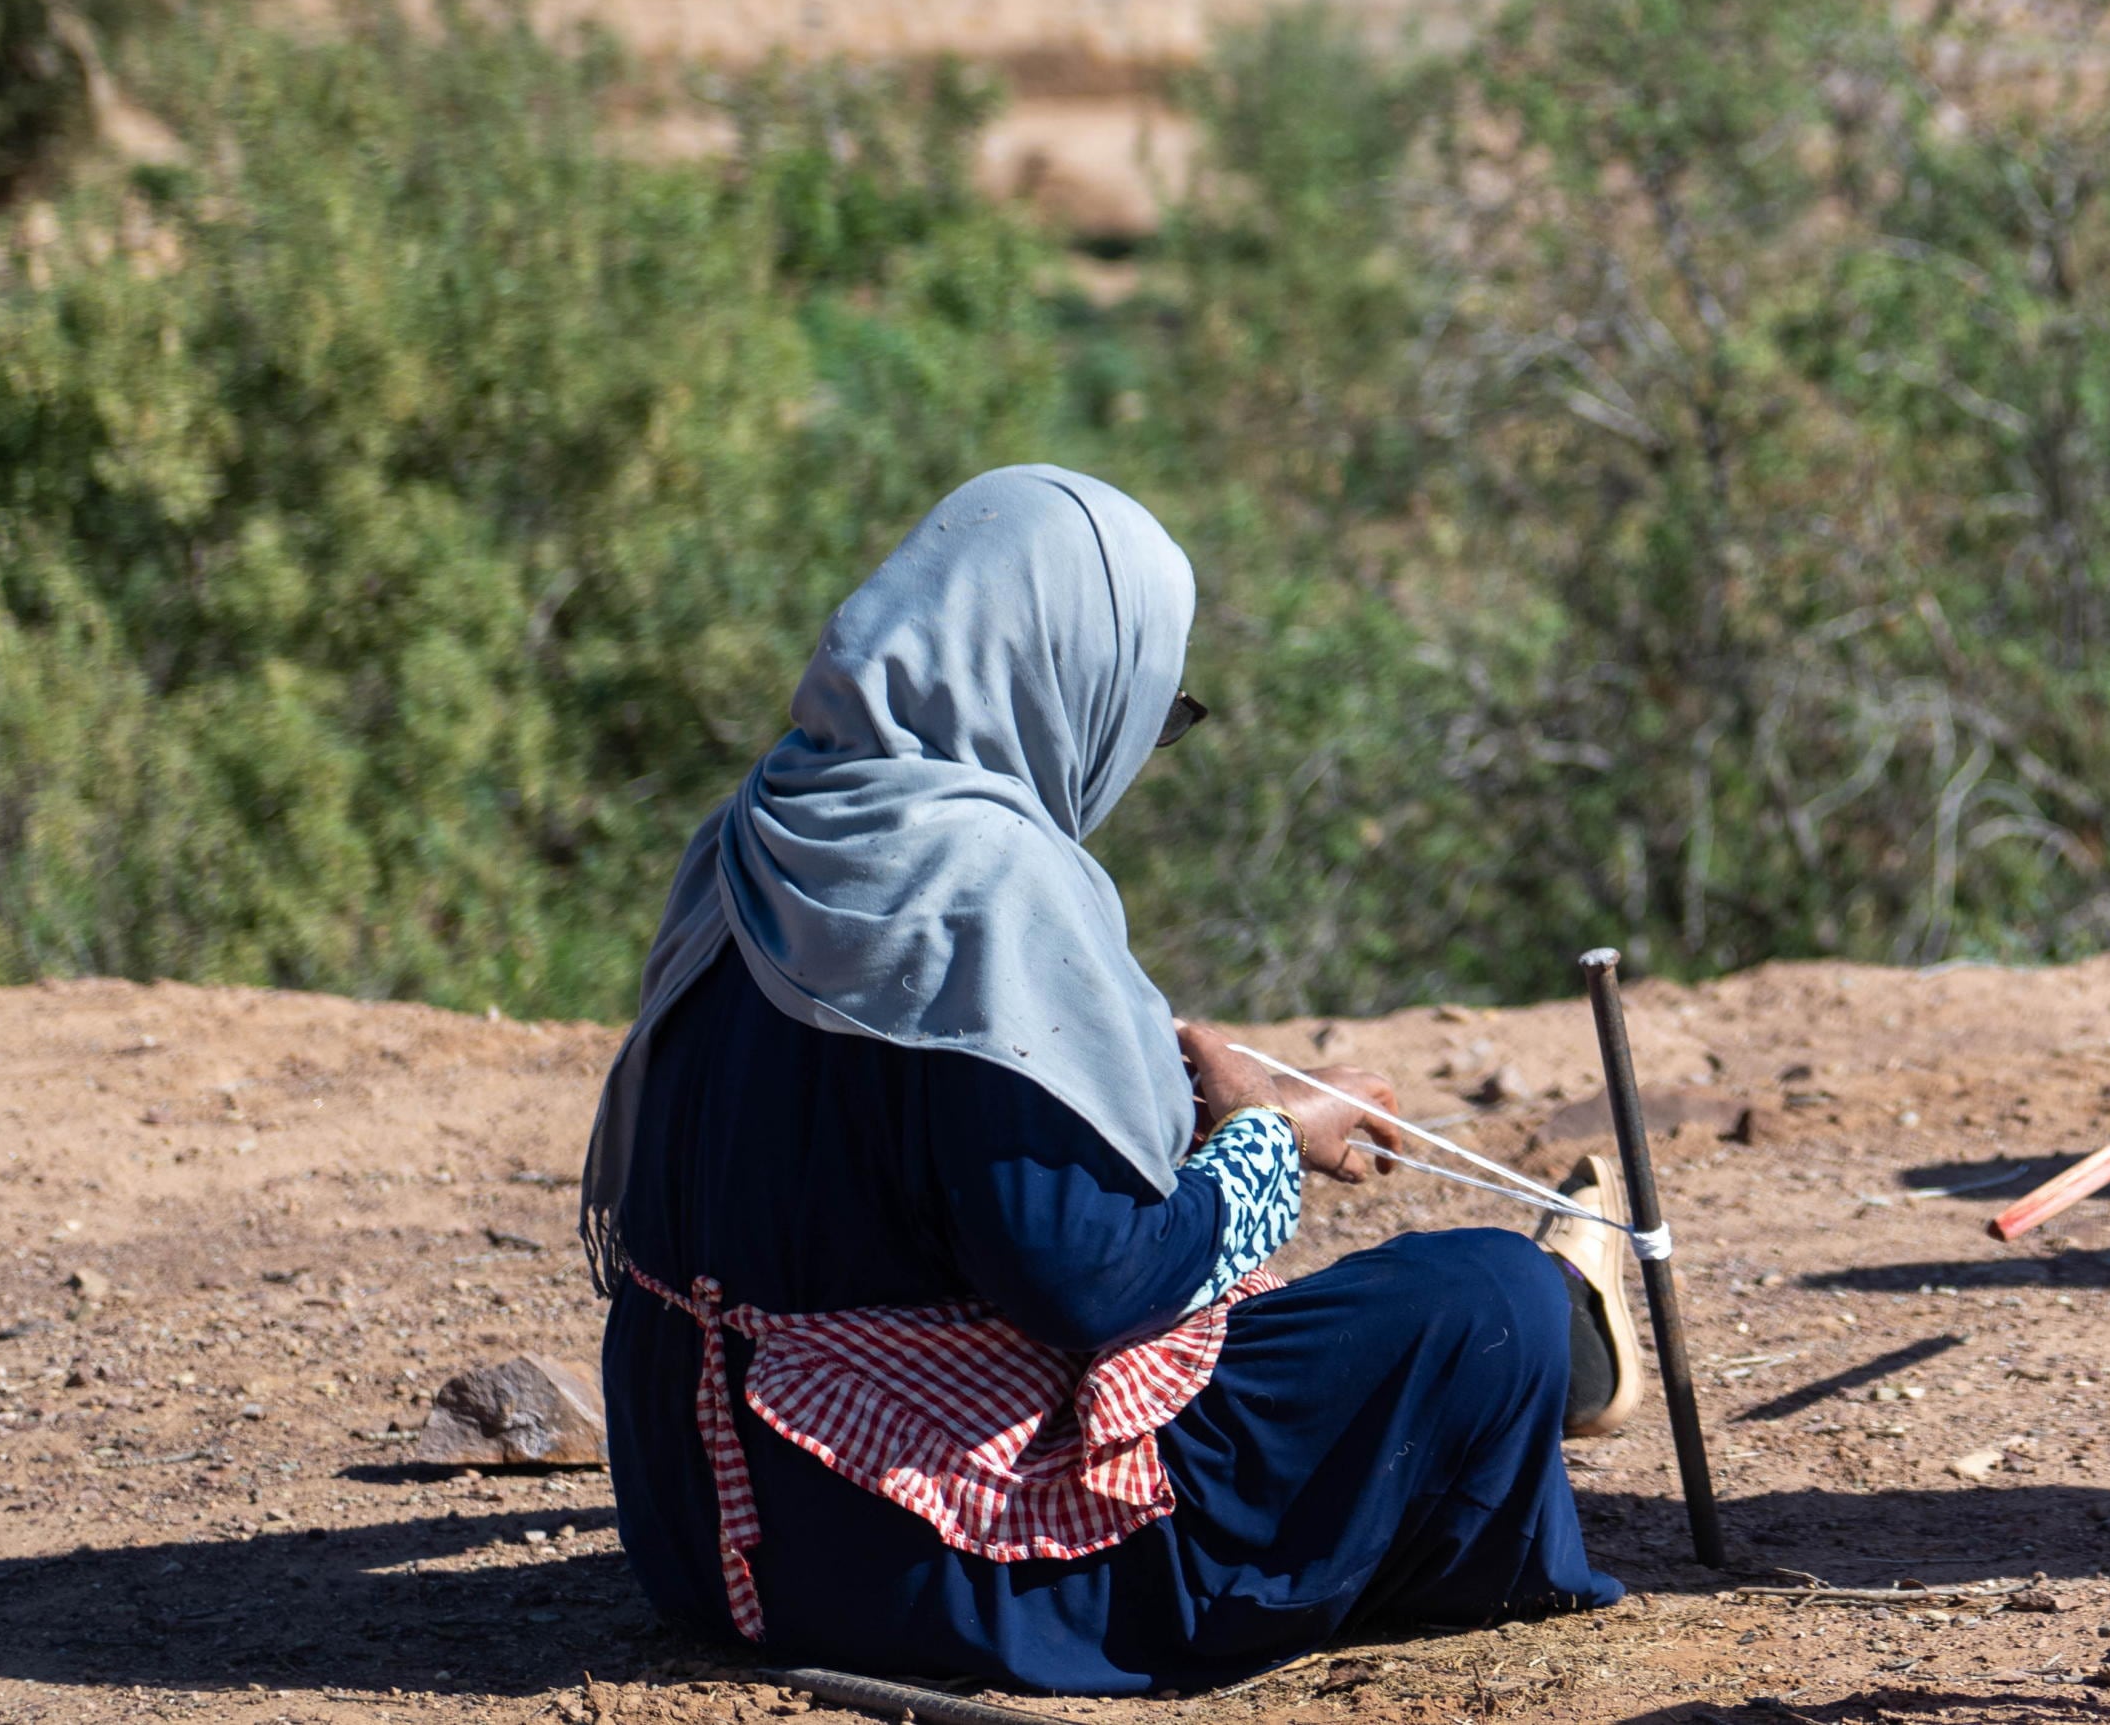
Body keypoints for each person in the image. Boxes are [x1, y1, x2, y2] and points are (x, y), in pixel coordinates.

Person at [582, 467, 1628, 1693]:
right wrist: (1268, 1143)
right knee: (1478, 1298)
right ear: (1069, 675)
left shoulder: (751, 834)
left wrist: (1165, 1107)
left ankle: (1560, 1340)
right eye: (1151, 708)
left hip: (698, 1524)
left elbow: (858, 1157)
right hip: (909, 1561)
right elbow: (1084, 1284)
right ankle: (1564, 1331)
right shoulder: (982, 888)